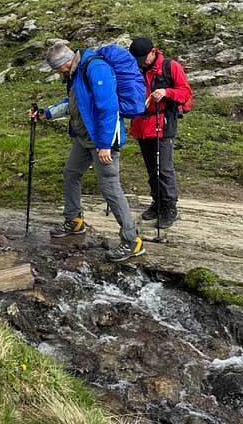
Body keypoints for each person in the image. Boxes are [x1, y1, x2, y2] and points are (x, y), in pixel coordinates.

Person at [32, 43, 144, 262]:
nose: (57, 74)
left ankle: (132, 241)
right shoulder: (76, 73)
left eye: (57, 69)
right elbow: (73, 103)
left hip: (102, 140)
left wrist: (104, 144)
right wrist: (46, 114)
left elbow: (109, 107)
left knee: (110, 186)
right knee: (71, 172)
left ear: (64, 63)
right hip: (84, 138)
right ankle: (74, 221)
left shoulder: (95, 68)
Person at [128, 37, 193, 228]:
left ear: (153, 52)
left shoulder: (170, 67)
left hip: (163, 123)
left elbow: (186, 92)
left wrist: (167, 92)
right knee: (151, 168)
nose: (142, 63)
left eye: (143, 59)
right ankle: (156, 204)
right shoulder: (138, 68)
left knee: (164, 168)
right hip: (142, 124)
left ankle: (169, 207)